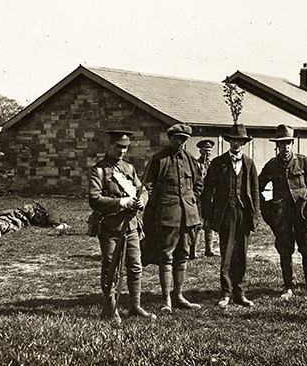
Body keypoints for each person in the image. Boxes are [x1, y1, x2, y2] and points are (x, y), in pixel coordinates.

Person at [88, 130, 155, 322]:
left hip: (131, 226)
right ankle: (110, 309)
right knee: (111, 267)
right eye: (119, 147)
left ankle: (136, 306)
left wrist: (141, 201)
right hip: (110, 226)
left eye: (125, 147)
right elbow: (94, 199)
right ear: (110, 146)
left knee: (135, 266)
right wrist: (122, 203)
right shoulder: (99, 170)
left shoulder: (129, 168)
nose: (122, 151)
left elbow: (143, 191)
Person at [258, 124, 307, 300]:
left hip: (304, 214)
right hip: (282, 216)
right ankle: (288, 287)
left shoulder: (303, 162)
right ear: (277, 146)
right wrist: (269, 208)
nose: (285, 147)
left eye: (288, 143)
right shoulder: (272, 165)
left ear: (292, 144)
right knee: (285, 250)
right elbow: (257, 187)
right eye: (281, 144)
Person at [143, 123, 203, 312]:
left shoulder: (191, 160)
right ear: (170, 138)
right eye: (177, 138)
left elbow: (199, 183)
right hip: (167, 216)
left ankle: (179, 294)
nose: (180, 142)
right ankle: (166, 299)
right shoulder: (159, 159)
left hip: (188, 216)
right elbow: (149, 184)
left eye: (184, 139)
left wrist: (191, 199)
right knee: (166, 256)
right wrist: (160, 204)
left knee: (183, 255)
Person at [202, 124, 260, 308]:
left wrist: (255, 215)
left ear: (244, 143)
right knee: (226, 254)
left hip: (243, 214)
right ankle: (226, 293)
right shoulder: (218, 163)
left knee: (241, 254)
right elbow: (207, 191)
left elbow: (256, 191)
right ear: (229, 141)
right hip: (225, 214)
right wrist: (209, 216)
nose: (237, 144)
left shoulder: (249, 164)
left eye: (240, 141)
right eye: (234, 140)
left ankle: (240, 293)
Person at [190, 139, 217, 259]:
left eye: (210, 150)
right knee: (197, 224)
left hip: (209, 198)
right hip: (199, 198)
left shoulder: (213, 165)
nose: (208, 153)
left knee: (209, 223)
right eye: (205, 150)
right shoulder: (196, 164)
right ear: (200, 151)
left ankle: (209, 250)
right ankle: (193, 250)